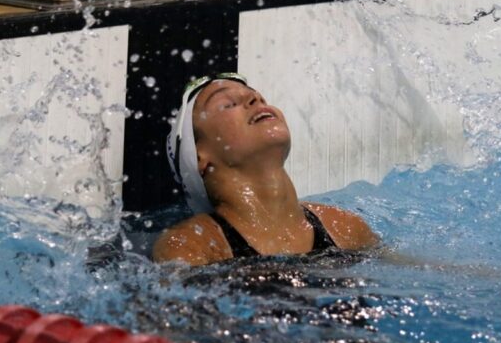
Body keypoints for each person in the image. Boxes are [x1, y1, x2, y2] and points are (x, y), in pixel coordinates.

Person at [153, 72, 379, 266]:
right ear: (199, 157)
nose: (256, 98)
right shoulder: (193, 244)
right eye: (228, 104)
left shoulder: (346, 227)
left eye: (259, 96)